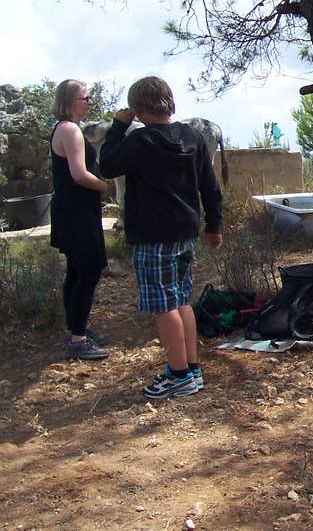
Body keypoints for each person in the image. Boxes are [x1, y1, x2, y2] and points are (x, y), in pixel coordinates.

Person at [99, 76, 223, 400]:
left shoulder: (140, 142)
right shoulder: (192, 136)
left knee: (163, 305)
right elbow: (209, 187)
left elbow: (107, 164)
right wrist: (214, 226)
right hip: (185, 234)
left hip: (154, 237)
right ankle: (191, 369)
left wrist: (116, 127)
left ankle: (178, 375)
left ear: (138, 108)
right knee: (182, 300)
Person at [49, 80, 111, 360]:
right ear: (69, 101)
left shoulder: (63, 128)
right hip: (76, 211)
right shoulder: (70, 130)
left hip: (71, 210)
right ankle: (77, 340)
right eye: (85, 98)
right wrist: (103, 186)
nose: (89, 102)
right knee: (88, 271)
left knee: (76, 271)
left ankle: (77, 328)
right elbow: (78, 174)